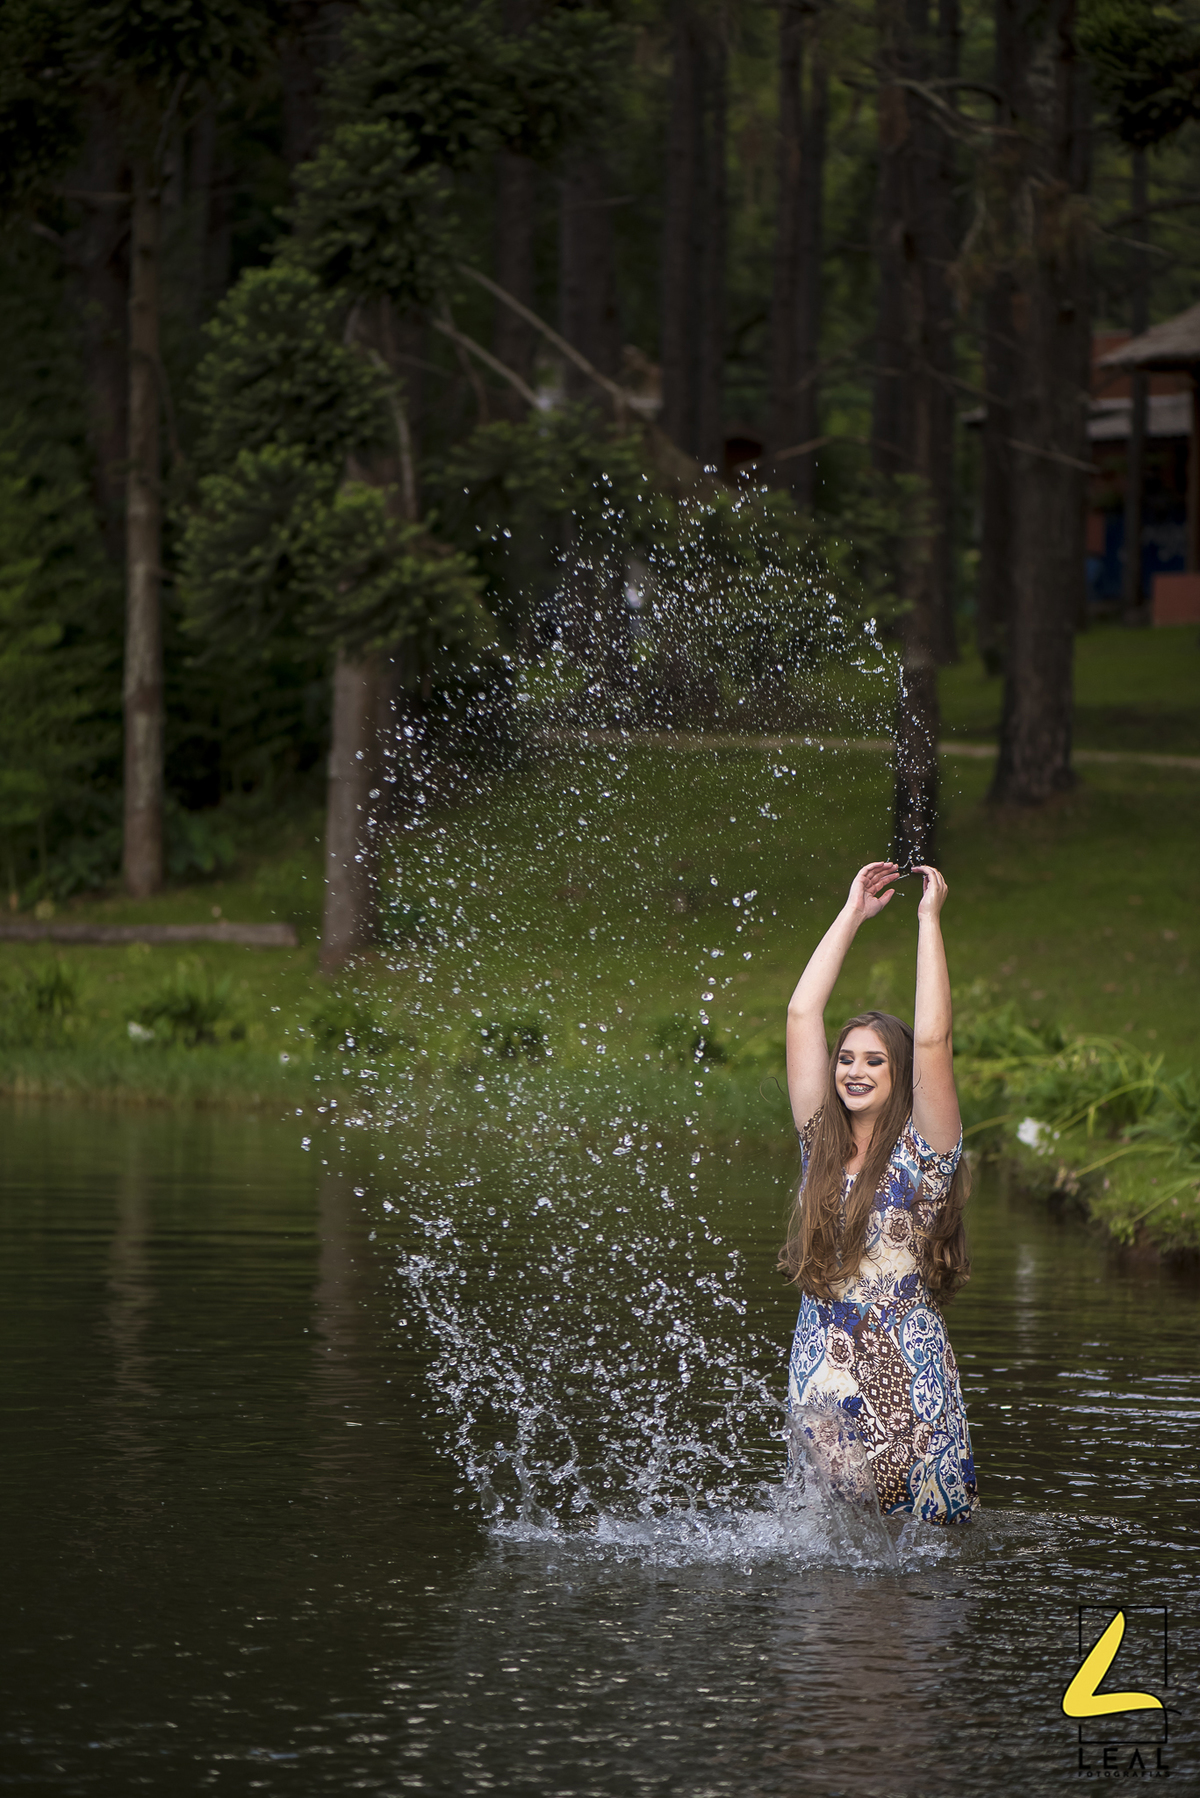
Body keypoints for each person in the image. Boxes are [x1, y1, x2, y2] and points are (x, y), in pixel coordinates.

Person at [779, 860, 978, 1524]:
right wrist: (852, 914)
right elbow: (802, 1011)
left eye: (873, 1060)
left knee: (927, 1569)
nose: (854, 1071)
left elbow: (933, 1038)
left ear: (899, 1073)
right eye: (845, 1058)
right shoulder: (820, 1143)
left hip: (911, 1383)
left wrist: (928, 921)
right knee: (832, 1568)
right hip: (825, 1382)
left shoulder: (928, 1148)